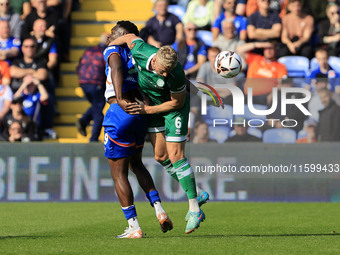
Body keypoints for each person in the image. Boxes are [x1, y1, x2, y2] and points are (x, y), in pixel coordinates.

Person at [109, 28, 207, 234]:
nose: (164, 74)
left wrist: (148, 109)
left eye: (167, 72)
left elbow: (175, 102)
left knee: (175, 154)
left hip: (174, 110)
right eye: (162, 70)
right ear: (153, 61)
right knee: (160, 156)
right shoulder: (141, 49)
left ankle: (194, 208)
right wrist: (110, 48)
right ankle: (196, 194)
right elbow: (127, 37)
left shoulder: (176, 73)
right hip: (151, 106)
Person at [103, 21, 172, 238]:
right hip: (140, 113)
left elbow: (114, 67)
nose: (109, 36)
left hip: (120, 112)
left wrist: (120, 99)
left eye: (114, 32)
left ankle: (134, 227)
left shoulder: (114, 49)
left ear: (124, 35)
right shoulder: (139, 55)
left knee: (118, 173)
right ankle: (159, 210)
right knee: (137, 164)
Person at [76, 33, 106, 142]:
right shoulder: (107, 51)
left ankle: (84, 121)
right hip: (96, 82)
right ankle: (93, 139)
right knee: (98, 112)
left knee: (96, 106)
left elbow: (79, 66)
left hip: (83, 81)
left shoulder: (89, 49)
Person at [237, 41, 288, 105]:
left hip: (266, 97)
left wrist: (273, 93)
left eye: (271, 48)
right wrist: (260, 44)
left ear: (276, 51)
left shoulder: (280, 66)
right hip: (248, 95)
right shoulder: (255, 59)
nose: (268, 51)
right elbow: (239, 50)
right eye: (266, 48)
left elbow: (283, 84)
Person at [13, 74, 48, 139]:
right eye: (28, 84)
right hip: (21, 123)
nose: (30, 86)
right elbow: (14, 99)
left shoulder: (37, 95)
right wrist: (24, 84)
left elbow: (45, 97)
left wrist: (38, 83)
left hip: (34, 125)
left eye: (32, 84)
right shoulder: (22, 95)